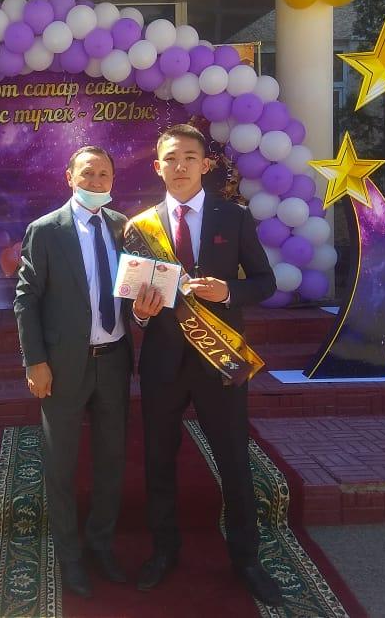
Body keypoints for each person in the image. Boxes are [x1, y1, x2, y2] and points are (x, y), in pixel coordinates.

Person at [129, 124, 283, 605]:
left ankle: (247, 560)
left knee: (234, 459)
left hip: (220, 359)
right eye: (171, 158)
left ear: (205, 164)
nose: (180, 166)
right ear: (157, 166)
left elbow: (265, 281)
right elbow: (129, 298)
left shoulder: (233, 217)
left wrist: (229, 291)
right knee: (159, 460)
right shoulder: (139, 226)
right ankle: (164, 551)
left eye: (189, 157)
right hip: (162, 363)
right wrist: (140, 313)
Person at [14, 146, 133, 599]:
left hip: (114, 361)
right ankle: (69, 555)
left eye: (104, 174)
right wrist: (35, 361)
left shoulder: (123, 227)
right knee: (60, 463)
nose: (96, 181)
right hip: (62, 366)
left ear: (113, 181)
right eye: (87, 173)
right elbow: (26, 300)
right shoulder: (46, 230)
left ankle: (101, 544)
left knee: (111, 459)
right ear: (69, 177)